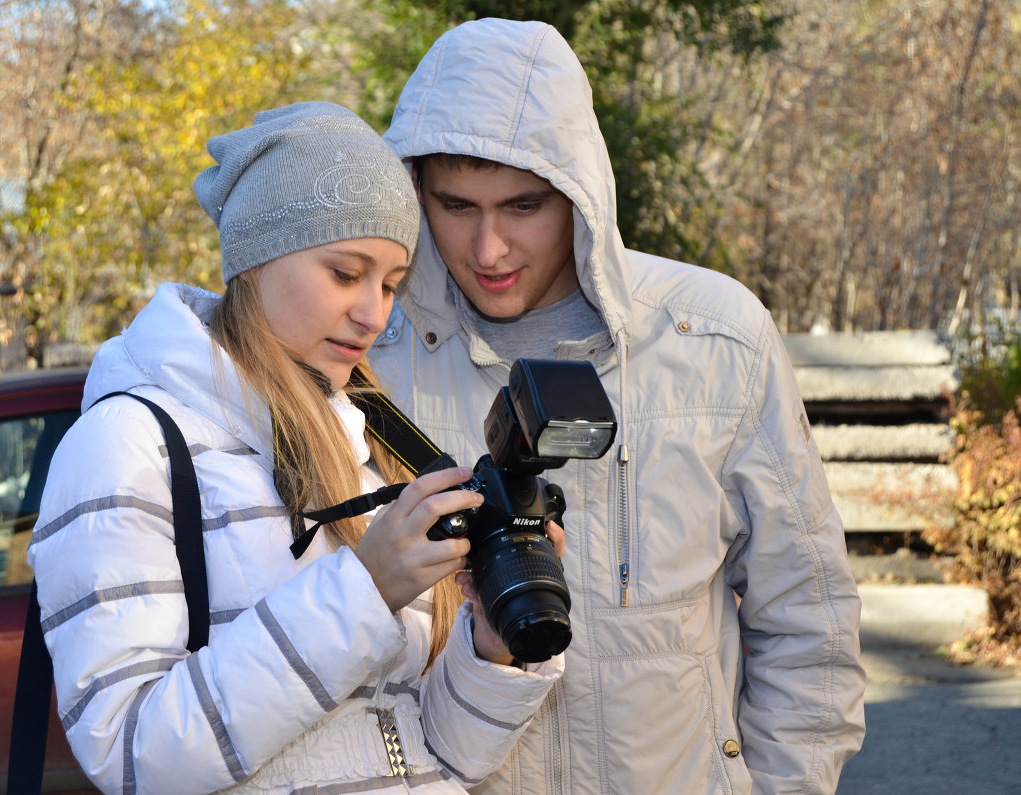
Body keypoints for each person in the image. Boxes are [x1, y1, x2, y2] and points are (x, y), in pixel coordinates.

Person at [367, 18, 866, 794]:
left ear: (580, 190)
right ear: (414, 191)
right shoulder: (369, 364)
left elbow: (809, 619)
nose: (489, 248)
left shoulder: (717, 338)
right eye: (457, 205)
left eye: (524, 206)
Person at [28, 101, 564, 795]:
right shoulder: (127, 442)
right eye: (346, 273)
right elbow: (132, 752)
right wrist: (362, 594)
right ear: (255, 259)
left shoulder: (372, 439)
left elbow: (440, 754)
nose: (375, 313)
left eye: (391, 284)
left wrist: (491, 649)